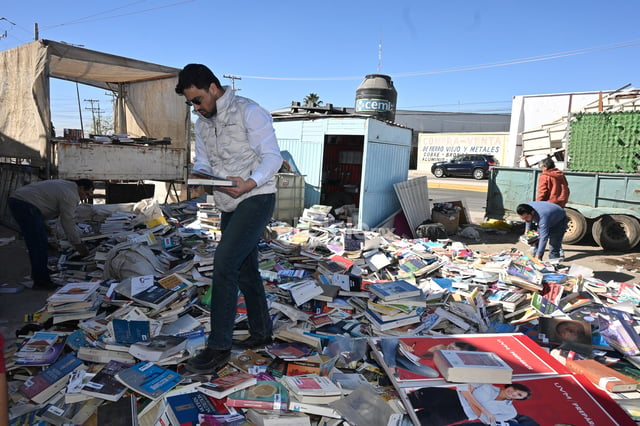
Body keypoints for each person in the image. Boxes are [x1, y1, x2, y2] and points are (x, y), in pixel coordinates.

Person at [175, 64, 283, 374]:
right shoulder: (202, 123)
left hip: (256, 196)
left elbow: (273, 157)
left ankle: (218, 347)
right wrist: (199, 175)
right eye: (190, 103)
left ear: (212, 88)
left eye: (198, 99)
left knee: (224, 263)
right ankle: (262, 333)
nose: (196, 107)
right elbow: (203, 161)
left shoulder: (249, 112)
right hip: (227, 200)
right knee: (245, 268)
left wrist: (250, 182)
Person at [8, 179, 94, 290]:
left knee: (39, 240)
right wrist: (77, 244)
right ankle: (41, 281)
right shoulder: (71, 195)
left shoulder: (67, 186)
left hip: (21, 200)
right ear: (81, 188)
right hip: (25, 203)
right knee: (38, 243)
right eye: (86, 194)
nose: (85, 197)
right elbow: (67, 221)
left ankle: (40, 271)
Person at [409, 382, 532, 426]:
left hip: (455, 414)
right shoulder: (487, 384)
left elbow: (484, 419)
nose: (514, 393)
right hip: (447, 397)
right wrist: (484, 410)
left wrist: (469, 396)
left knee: (412, 423)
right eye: (515, 389)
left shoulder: (510, 412)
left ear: (520, 399)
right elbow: (462, 387)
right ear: (511, 385)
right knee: (404, 401)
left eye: (519, 395)